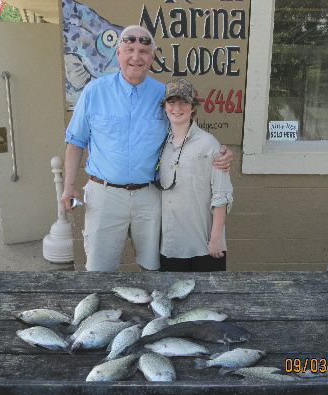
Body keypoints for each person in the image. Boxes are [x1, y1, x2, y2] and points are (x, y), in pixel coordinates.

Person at [61, 25, 233, 272]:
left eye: (143, 51)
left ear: (152, 57)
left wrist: (221, 151)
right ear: (118, 53)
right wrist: (69, 185)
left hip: (150, 195)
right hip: (105, 195)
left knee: (153, 268)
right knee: (99, 269)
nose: (136, 57)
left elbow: (186, 133)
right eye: (129, 49)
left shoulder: (163, 95)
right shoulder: (94, 92)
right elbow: (76, 140)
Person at [157, 79, 233, 272]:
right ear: (165, 107)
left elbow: (221, 194)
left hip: (204, 245)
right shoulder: (160, 144)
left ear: (193, 107)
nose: (177, 108)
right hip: (171, 245)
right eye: (172, 102)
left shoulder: (209, 144)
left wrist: (216, 238)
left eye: (184, 102)